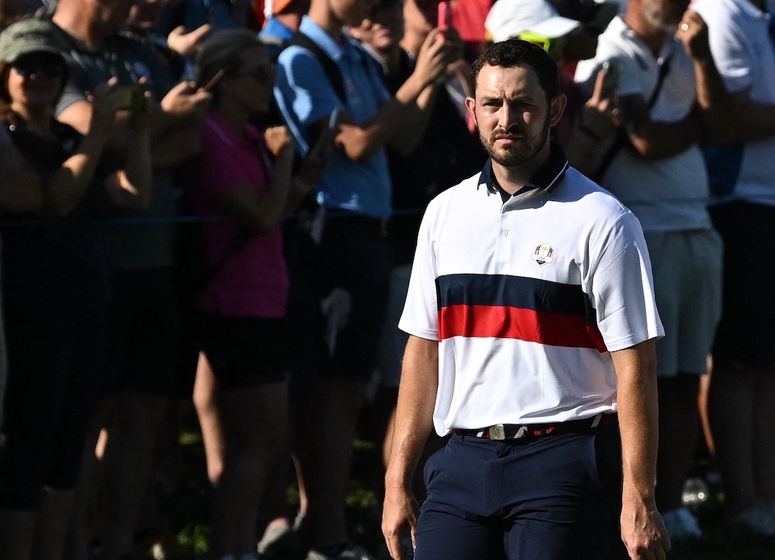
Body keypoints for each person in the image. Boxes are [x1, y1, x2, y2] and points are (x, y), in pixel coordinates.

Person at [382, 39, 670, 560]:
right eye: (492, 104)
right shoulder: (443, 215)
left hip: (563, 458)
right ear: (472, 111)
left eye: (523, 104)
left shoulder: (604, 221)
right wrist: (396, 480)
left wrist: (639, 495)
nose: (506, 118)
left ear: (555, 110)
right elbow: (423, 352)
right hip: (460, 460)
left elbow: (636, 365)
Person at [274, 0, 456, 557]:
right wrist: (420, 78)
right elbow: (354, 142)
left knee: (352, 385)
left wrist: (424, 82)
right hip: (334, 232)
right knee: (332, 387)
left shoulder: (354, 55)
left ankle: (352, 527)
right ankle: (326, 532)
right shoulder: (299, 58)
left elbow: (400, 136)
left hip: (368, 232)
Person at [573, 0, 730, 541]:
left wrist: (705, 65)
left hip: (696, 225)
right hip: (643, 235)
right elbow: (646, 139)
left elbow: (720, 120)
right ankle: (632, 503)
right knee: (645, 380)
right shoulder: (608, 50)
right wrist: (705, 120)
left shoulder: (690, 50)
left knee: (688, 375)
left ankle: (673, 497)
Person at [0, 17, 151, 560]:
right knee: (29, 442)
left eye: (49, 65)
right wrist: (97, 135)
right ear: (4, 74)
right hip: (27, 308)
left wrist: (135, 132)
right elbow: (56, 197)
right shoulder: (7, 136)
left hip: (84, 300)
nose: (38, 75)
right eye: (25, 65)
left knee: (68, 442)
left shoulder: (66, 137)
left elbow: (133, 192)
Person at [691, 0, 775, 536]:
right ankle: (742, 498)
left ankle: (765, 495)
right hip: (736, 203)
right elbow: (727, 120)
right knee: (740, 359)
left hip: (766, 205)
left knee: (767, 362)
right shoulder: (720, 12)